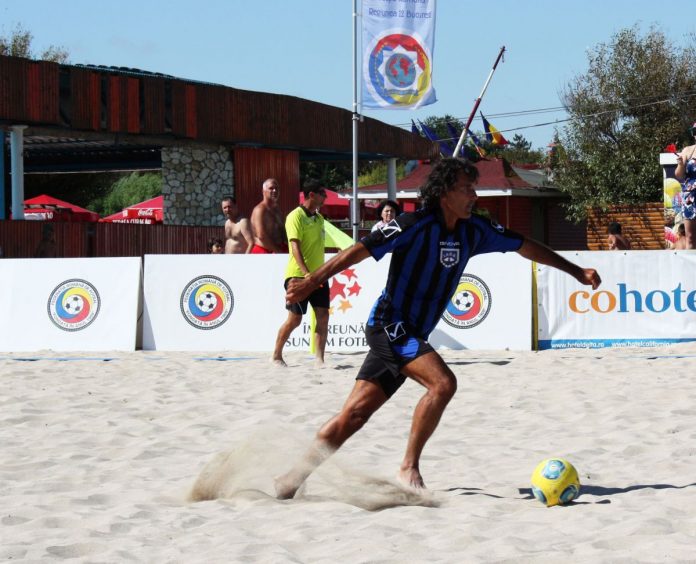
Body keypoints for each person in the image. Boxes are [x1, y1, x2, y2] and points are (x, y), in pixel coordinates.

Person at [274, 158, 601, 499]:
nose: (474, 196)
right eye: (466, 189)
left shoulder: (475, 230)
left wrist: (576, 271)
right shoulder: (413, 224)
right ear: (444, 193)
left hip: (411, 334)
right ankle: (408, 467)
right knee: (443, 383)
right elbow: (358, 251)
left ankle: (290, 480)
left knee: (353, 416)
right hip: (389, 325)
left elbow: (524, 245)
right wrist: (311, 281)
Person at [272, 180, 329, 367]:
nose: (325, 196)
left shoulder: (319, 219)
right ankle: (276, 355)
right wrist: (306, 274)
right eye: (322, 193)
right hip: (298, 276)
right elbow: (294, 247)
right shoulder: (295, 216)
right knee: (295, 319)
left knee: (323, 316)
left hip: (319, 275)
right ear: (311, 195)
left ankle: (319, 359)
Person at [250, 178, 286, 253]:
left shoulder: (277, 209)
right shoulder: (260, 210)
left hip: (279, 249)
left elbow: (282, 230)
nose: (275, 190)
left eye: (276, 188)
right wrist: (278, 251)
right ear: (263, 191)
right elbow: (261, 235)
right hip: (264, 251)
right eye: (271, 188)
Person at [675, 122, 696, 249]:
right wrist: (681, 164)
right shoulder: (687, 150)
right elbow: (679, 175)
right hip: (690, 197)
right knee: (690, 237)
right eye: (695, 131)